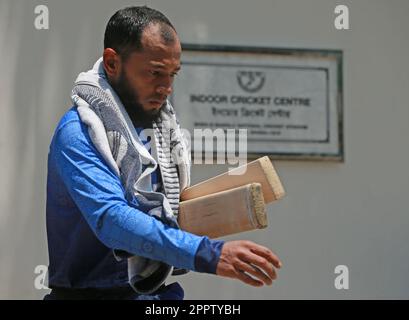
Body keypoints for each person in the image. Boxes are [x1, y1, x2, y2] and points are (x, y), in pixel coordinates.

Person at [44, 6, 282, 300]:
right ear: (112, 62)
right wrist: (208, 253)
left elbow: (164, 210)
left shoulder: (159, 129)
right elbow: (111, 218)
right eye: (155, 73)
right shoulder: (78, 132)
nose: (166, 88)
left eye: (172, 74)